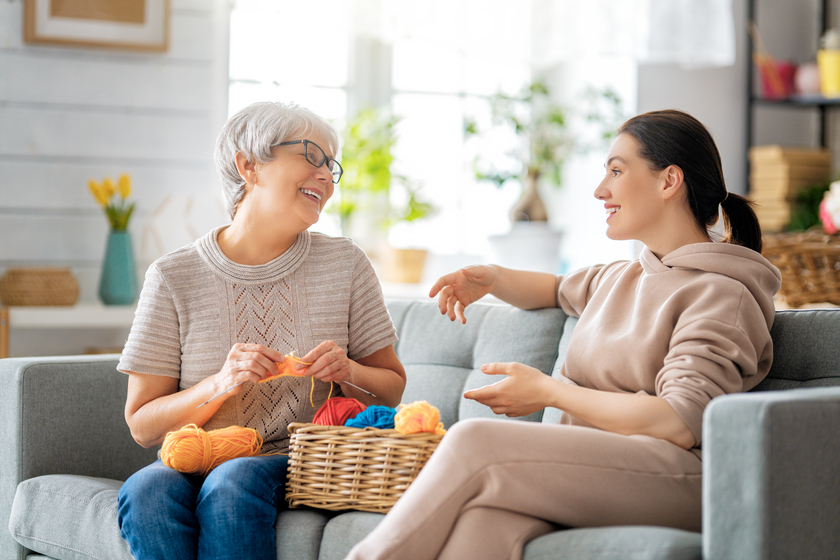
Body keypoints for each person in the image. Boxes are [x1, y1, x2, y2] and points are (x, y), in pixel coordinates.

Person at [345, 109, 782, 560]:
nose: (600, 190)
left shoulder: (722, 293)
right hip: (598, 465)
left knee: (475, 441)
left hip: (679, 478)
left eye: (616, 171)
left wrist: (550, 392)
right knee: (484, 521)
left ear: (669, 181)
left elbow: (678, 421)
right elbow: (554, 289)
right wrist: (491, 278)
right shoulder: (624, 276)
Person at [117, 101, 406, 560]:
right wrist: (219, 384)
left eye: (331, 165)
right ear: (248, 165)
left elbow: (391, 388)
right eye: (311, 155)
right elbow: (142, 425)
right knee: (146, 492)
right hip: (200, 451)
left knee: (233, 480)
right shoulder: (173, 276)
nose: (326, 176)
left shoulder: (346, 264)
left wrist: (349, 370)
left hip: (304, 458)